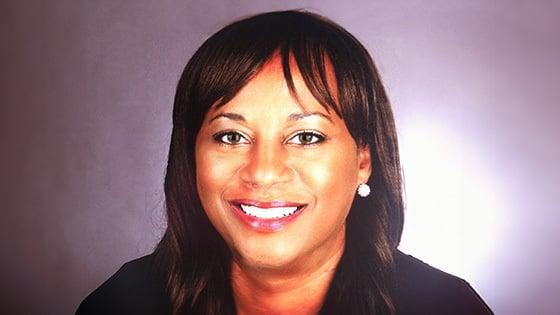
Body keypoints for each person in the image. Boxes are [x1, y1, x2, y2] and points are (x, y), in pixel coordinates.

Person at [76, 10, 493, 315]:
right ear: (190, 157)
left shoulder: (445, 307)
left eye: (305, 137)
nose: (263, 171)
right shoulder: (122, 303)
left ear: (363, 160)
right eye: (231, 136)